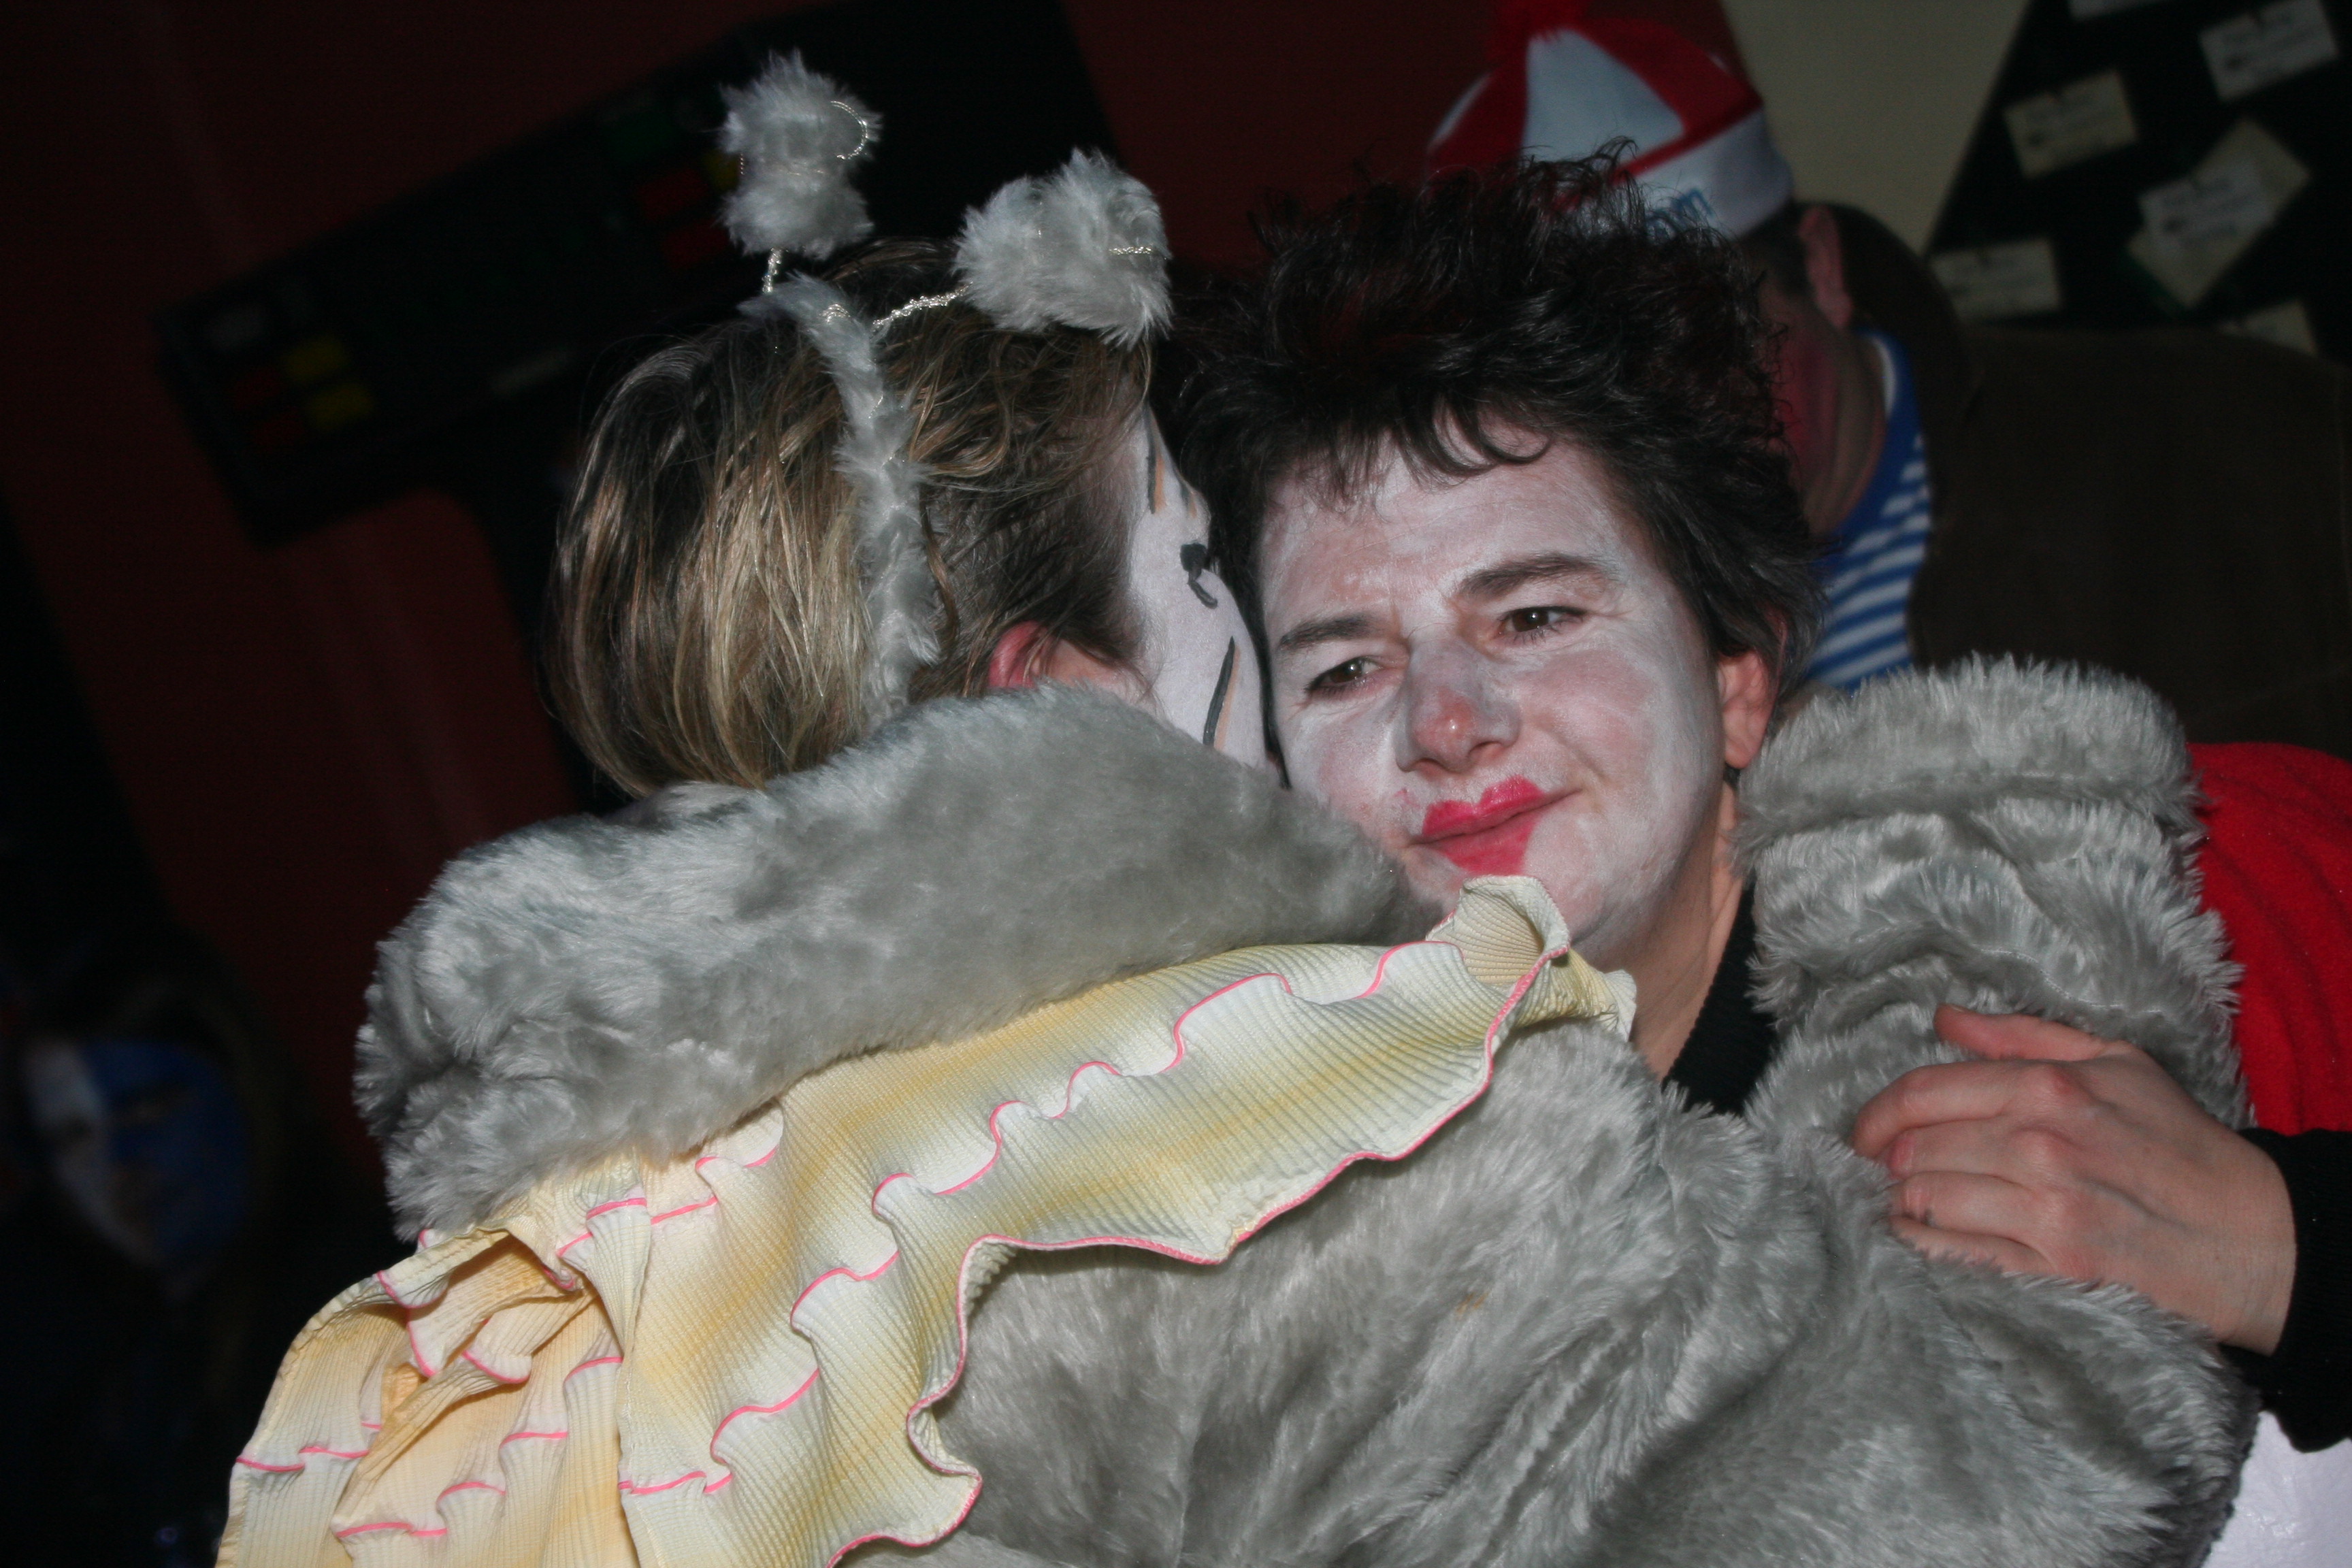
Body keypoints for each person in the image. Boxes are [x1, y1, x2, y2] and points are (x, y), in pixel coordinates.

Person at [1428, 0, 2352, 754]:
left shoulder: (2244, 444)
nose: (1663, 415)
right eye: (1586, 391)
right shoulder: (1536, 666)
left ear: (1822, 270)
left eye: (1705, 341)